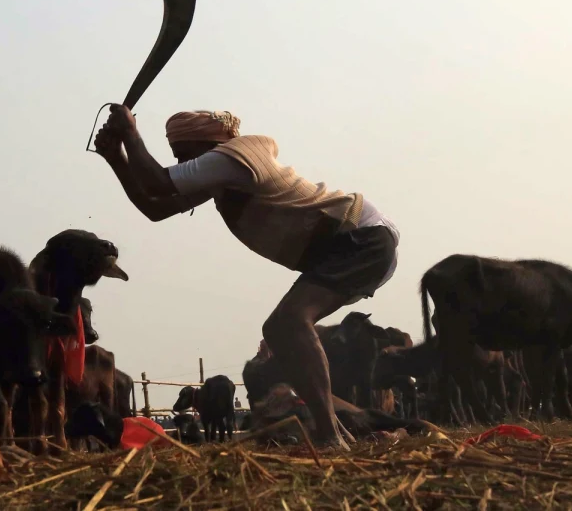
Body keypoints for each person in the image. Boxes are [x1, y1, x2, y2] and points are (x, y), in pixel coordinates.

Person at [94, 107, 398, 449]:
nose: (182, 164)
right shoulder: (224, 177)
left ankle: (329, 435)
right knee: (280, 329)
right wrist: (115, 157)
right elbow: (156, 206)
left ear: (206, 144)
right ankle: (335, 434)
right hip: (344, 245)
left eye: (184, 155)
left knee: (291, 322)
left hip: (359, 236)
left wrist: (130, 133)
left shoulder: (233, 157)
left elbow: (158, 181)